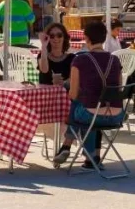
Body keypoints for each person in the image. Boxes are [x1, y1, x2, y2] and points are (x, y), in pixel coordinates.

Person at [52, 21, 125, 168]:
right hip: (117, 116)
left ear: (86, 38)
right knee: (92, 106)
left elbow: (72, 94)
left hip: (91, 115)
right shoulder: (115, 60)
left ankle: (67, 145)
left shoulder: (80, 60)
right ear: (104, 38)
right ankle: (93, 157)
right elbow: (118, 89)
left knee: (79, 104)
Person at [38, 22, 74, 87]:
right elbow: (44, 70)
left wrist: (64, 83)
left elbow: (73, 80)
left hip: (64, 94)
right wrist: (43, 46)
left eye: (59, 35)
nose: (56, 38)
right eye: (52, 36)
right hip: (46, 95)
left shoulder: (71, 58)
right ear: (48, 39)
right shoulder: (42, 55)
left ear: (64, 37)